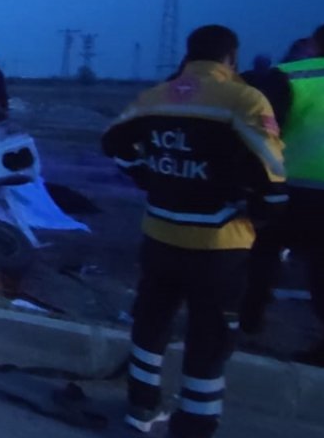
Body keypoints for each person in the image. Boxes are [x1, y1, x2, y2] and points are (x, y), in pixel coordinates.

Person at [102, 25, 287, 438]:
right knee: (211, 335)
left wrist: (145, 176)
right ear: (231, 58)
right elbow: (272, 174)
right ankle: (195, 423)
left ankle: (141, 407)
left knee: (150, 324)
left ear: (188, 55)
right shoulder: (244, 99)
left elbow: (112, 140)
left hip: (160, 233)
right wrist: (264, 213)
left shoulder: (156, 97)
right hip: (218, 243)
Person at [242, 21, 324, 370]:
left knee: (262, 252)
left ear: (316, 43)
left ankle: (247, 320)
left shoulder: (288, 76)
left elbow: (261, 129)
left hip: (291, 187)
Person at [239, 54, 291, 121]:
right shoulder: (245, 78)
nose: (261, 68)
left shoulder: (278, 79)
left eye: (263, 64)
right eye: (259, 65)